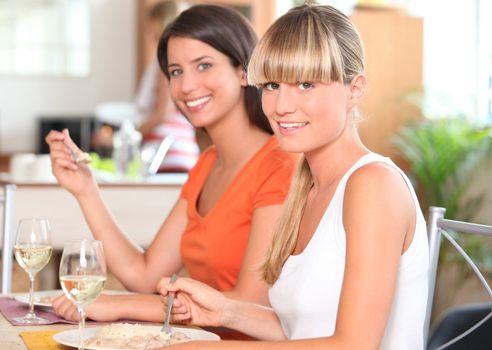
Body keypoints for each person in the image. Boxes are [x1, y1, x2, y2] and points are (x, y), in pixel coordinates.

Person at [157, 4, 429, 349]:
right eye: (271, 85)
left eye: (305, 84)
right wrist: (225, 312)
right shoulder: (307, 187)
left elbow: (355, 344)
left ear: (354, 89)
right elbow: (299, 328)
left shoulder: (373, 185)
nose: (281, 106)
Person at [45, 4, 296, 323]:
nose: (187, 85)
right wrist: (86, 189)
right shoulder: (207, 164)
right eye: (176, 71)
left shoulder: (279, 166)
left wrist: (122, 305)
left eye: (203, 66)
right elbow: (144, 275)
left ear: (244, 71)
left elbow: (249, 305)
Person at [135, 0, 199, 173]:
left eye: (152, 23)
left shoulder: (167, 62)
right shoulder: (178, 60)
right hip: (180, 151)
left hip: (168, 152)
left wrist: (133, 136)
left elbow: (163, 113)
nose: (148, 30)